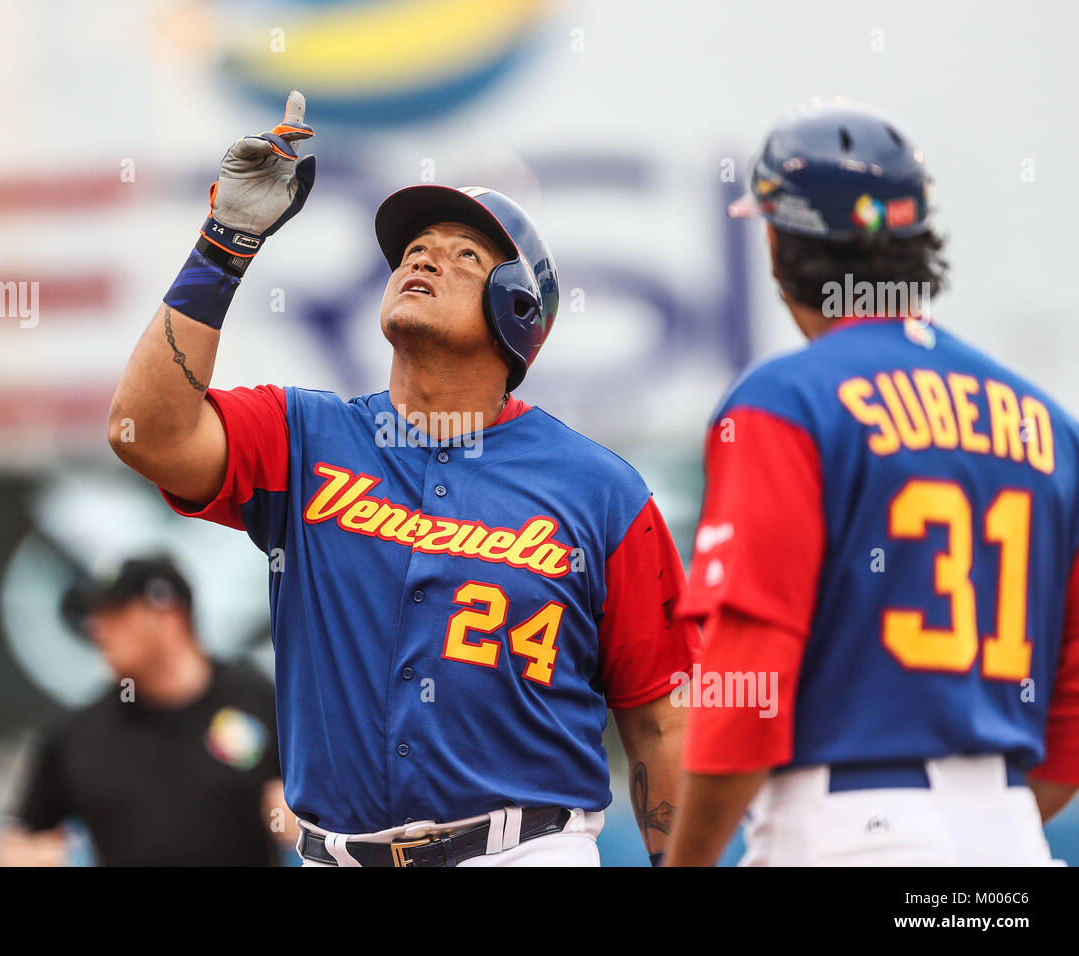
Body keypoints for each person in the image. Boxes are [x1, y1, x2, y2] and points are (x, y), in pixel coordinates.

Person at [107, 91, 698, 867]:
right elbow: (146, 432)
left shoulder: (602, 492)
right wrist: (227, 240)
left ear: (516, 307)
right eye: (416, 246)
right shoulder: (304, 437)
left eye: (463, 254)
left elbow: (661, 721)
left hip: (522, 852)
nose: (423, 256)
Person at [667, 102, 1079, 866]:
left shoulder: (785, 400)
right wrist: (993, 821)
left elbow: (750, 673)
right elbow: (1075, 695)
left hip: (844, 831)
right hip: (1010, 840)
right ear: (918, 243)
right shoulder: (1049, 425)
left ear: (779, 244)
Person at [0, 556, 294, 866]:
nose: (98, 629)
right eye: (94, 616)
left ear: (169, 614)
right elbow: (25, 836)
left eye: (116, 613)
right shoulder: (79, 735)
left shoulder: (261, 702)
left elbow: (327, 807)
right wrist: (28, 853)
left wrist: (301, 818)